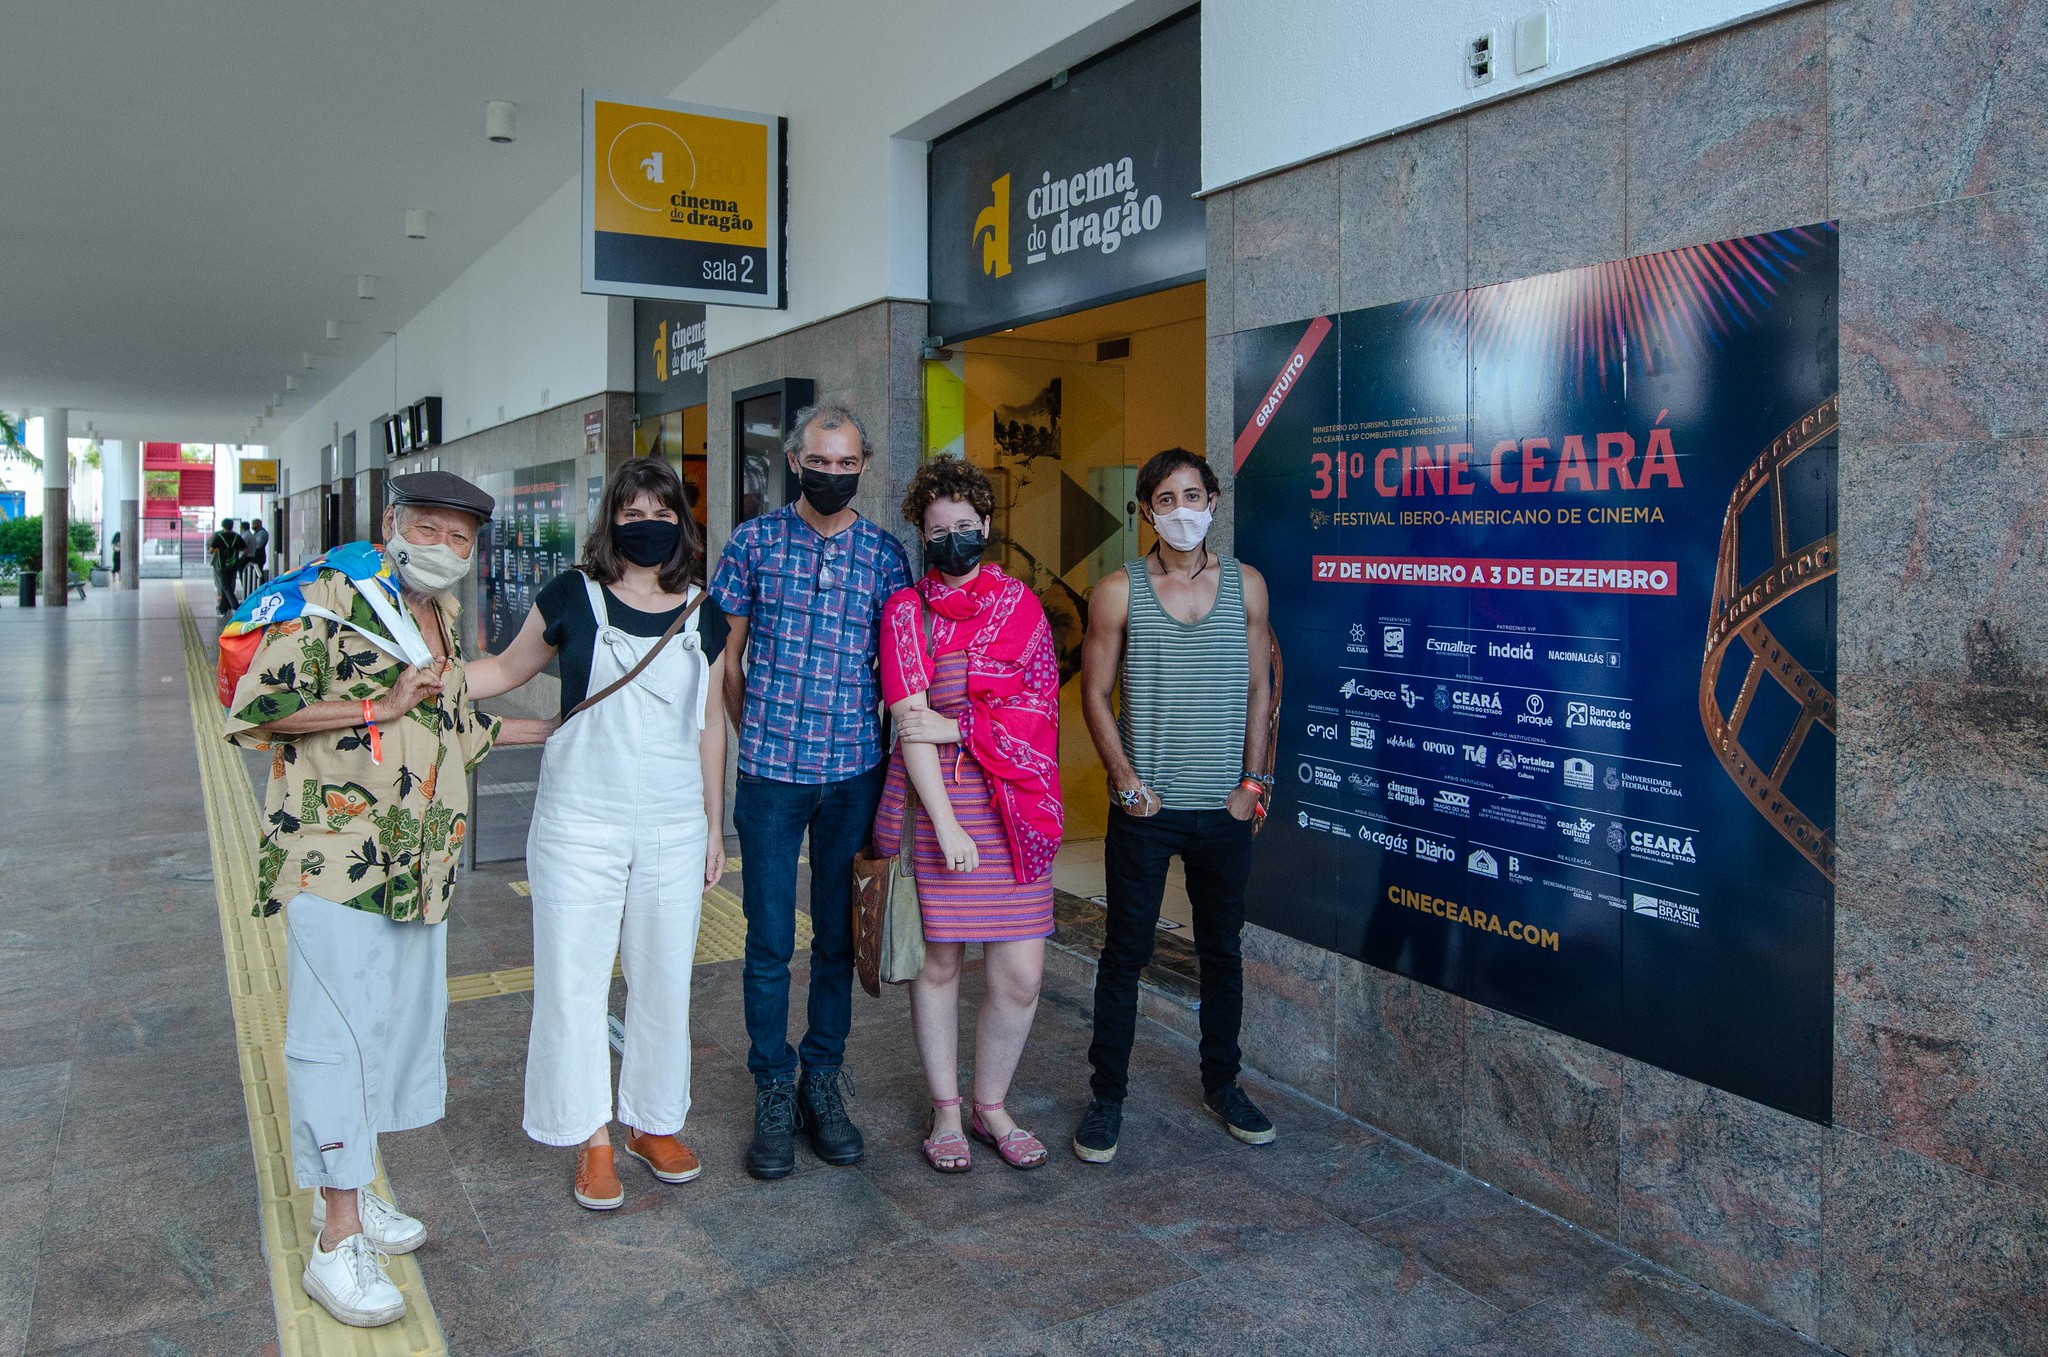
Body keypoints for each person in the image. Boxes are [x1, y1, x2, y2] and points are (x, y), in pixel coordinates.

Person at [221, 472, 553, 1328]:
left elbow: (449, 724)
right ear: (390, 524)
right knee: (334, 1040)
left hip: (418, 867)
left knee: (386, 1034)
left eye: (460, 538)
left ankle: (356, 1188)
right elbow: (256, 708)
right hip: (336, 862)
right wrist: (378, 698)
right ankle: (335, 1242)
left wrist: (556, 727)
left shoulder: (435, 614)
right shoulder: (327, 594)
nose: (444, 548)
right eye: (429, 529)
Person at [464, 458, 730, 1210]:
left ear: (682, 521)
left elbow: (709, 728)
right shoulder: (571, 597)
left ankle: (654, 1120)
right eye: (632, 507)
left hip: (674, 823)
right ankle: (591, 1135)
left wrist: (715, 826)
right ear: (610, 519)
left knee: (665, 976)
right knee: (575, 982)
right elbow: (509, 669)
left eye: (662, 508)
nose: (647, 519)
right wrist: (434, 678)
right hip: (580, 820)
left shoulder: (704, 612)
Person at [709, 401, 911, 1180]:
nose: (833, 474)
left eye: (847, 463)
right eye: (819, 462)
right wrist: (753, 731)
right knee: (765, 941)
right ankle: (771, 1083)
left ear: (864, 465)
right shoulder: (753, 542)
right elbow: (727, 662)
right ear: (796, 461)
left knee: (836, 937)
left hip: (854, 772)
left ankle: (821, 1079)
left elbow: (897, 670)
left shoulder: (887, 555)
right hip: (768, 777)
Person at [1071, 448, 1277, 1163]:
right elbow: (1092, 692)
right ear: (1147, 510)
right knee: (1125, 953)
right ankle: (1108, 1095)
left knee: (1222, 950)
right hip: (1145, 810)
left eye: (1194, 494)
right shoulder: (1117, 591)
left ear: (1214, 499)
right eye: (1166, 498)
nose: (1182, 510)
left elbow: (1261, 689)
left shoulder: (1246, 586)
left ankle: (1223, 1082)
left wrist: (1254, 782)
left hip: (1224, 809)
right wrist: (1127, 780)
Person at [873, 456, 1063, 1173]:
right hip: (939, 811)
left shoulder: (1022, 606)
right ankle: (947, 1111)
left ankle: (993, 1105)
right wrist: (948, 822)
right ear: (921, 534)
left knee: (1020, 974)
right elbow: (909, 721)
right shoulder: (906, 612)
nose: (953, 537)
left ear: (986, 524)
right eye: (937, 528)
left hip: (1018, 811)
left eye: (964, 525)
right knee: (942, 965)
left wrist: (963, 727)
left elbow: (1041, 707)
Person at [208, 516, 243, 614]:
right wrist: (239, 558)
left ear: (223, 526)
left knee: (224, 586)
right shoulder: (236, 536)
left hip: (221, 565)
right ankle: (223, 608)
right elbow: (245, 549)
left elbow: (210, 550)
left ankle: (234, 606)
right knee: (228, 585)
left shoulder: (218, 536)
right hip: (233, 564)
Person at [242, 516, 271, 588]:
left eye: (254, 524)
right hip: (256, 555)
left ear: (259, 524)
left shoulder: (262, 533)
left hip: (259, 556)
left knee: (259, 572)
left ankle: (262, 587)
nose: (252, 526)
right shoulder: (256, 533)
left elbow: (258, 544)